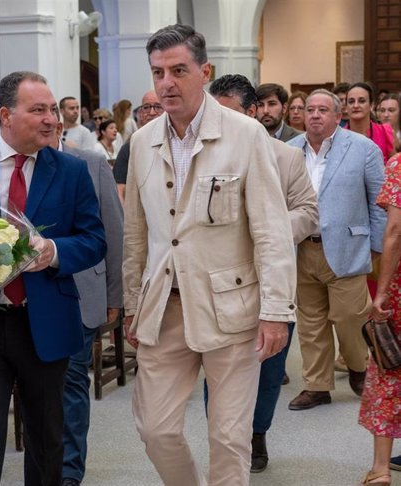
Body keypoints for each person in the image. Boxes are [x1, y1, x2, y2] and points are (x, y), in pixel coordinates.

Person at [123, 24, 296, 486]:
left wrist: (276, 311)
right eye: (158, 72)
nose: (166, 83)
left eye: (178, 70)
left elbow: (272, 230)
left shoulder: (245, 135)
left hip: (231, 309)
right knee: (155, 429)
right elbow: (136, 235)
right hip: (165, 307)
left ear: (205, 72)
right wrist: (134, 303)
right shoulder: (142, 142)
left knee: (228, 437)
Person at [0, 71, 106, 486]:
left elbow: (94, 240)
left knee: (48, 439)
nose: (51, 119)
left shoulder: (71, 170)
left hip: (44, 322)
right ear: (5, 115)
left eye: (53, 110)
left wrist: (53, 253)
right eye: (39, 110)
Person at [208, 74, 319, 473]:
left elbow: (308, 212)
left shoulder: (286, 157)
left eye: (229, 114)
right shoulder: (204, 155)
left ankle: (257, 434)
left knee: (268, 365)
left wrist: (265, 228)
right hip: (218, 282)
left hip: (269, 278)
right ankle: (222, 438)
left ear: (252, 112)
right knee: (217, 364)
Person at [286, 90, 386, 410]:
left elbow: (379, 204)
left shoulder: (363, 149)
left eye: (322, 110)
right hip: (302, 248)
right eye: (309, 109)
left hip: (349, 246)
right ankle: (317, 386)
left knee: (350, 317)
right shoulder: (289, 151)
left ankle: (358, 366)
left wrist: (376, 248)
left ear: (337, 115)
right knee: (311, 321)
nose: (314, 115)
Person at [49, 112, 123, 486]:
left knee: (73, 379)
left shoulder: (91, 164)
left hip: (83, 290)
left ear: (61, 130)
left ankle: (69, 470)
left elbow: (113, 230)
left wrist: (115, 295)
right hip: (36, 295)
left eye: (51, 126)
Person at [359, 154, 401, 486]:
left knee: (390, 367)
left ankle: (380, 468)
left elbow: (395, 230)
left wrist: (382, 291)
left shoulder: (400, 164)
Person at [113, 91, 163, 201]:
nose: (152, 112)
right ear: (140, 113)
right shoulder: (130, 148)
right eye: (146, 107)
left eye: (158, 107)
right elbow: (120, 189)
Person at [346, 82, 396, 162]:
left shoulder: (385, 132)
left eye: (361, 101)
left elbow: (393, 168)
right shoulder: (337, 136)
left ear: (371, 105)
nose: (355, 105)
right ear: (346, 107)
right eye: (351, 102)